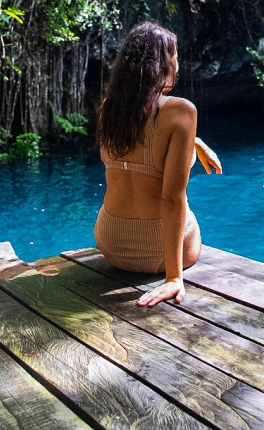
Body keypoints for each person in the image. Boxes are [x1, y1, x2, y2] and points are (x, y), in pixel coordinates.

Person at [94, 21, 222, 307]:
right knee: (184, 204)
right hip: (158, 252)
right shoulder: (182, 111)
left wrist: (195, 143)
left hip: (112, 245)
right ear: (162, 63)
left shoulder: (108, 110)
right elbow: (171, 198)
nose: (178, 61)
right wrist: (174, 278)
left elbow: (141, 145)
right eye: (174, 55)